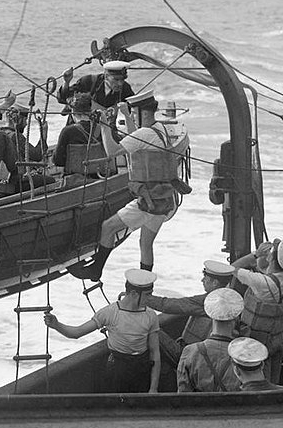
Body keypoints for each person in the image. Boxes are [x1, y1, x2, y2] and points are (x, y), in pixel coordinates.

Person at [68, 90, 190, 281]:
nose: (132, 116)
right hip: (164, 198)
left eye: (134, 113)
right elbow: (137, 137)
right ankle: (145, 284)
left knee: (107, 227)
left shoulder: (145, 133)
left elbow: (113, 151)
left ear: (144, 113)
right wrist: (125, 114)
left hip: (149, 201)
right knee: (145, 244)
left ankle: (95, 270)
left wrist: (105, 126)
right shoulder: (159, 129)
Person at [44, 269, 160, 393]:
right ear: (133, 294)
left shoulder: (150, 315)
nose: (150, 298)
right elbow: (76, 333)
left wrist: (153, 388)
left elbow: (155, 353)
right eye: (148, 295)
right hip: (117, 369)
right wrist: (56, 325)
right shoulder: (110, 313)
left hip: (141, 369)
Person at [141, 260, 238, 366]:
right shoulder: (230, 299)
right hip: (204, 354)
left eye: (205, 278)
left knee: (149, 328)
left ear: (215, 283)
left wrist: (144, 298)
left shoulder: (208, 301)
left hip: (187, 355)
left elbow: (169, 305)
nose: (202, 280)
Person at [231, 238, 283, 384]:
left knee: (262, 383)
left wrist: (256, 254)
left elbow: (233, 267)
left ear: (271, 257)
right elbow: (268, 273)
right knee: (274, 381)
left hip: (260, 340)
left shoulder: (261, 282)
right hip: (278, 337)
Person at [176, 288, 244, 392]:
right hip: (230, 406)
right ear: (236, 320)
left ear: (210, 315)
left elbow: (183, 392)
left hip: (199, 407)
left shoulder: (190, 351)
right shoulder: (243, 355)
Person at [52, 92, 108, 176]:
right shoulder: (103, 128)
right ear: (90, 110)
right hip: (100, 176)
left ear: (73, 112)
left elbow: (58, 161)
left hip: (75, 179)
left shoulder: (67, 131)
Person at [57, 60, 135, 114]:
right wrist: (66, 82)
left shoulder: (125, 88)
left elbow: (133, 107)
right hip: (79, 130)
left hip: (105, 131)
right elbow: (64, 98)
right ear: (106, 76)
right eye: (116, 79)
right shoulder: (89, 81)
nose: (120, 83)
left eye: (122, 79)